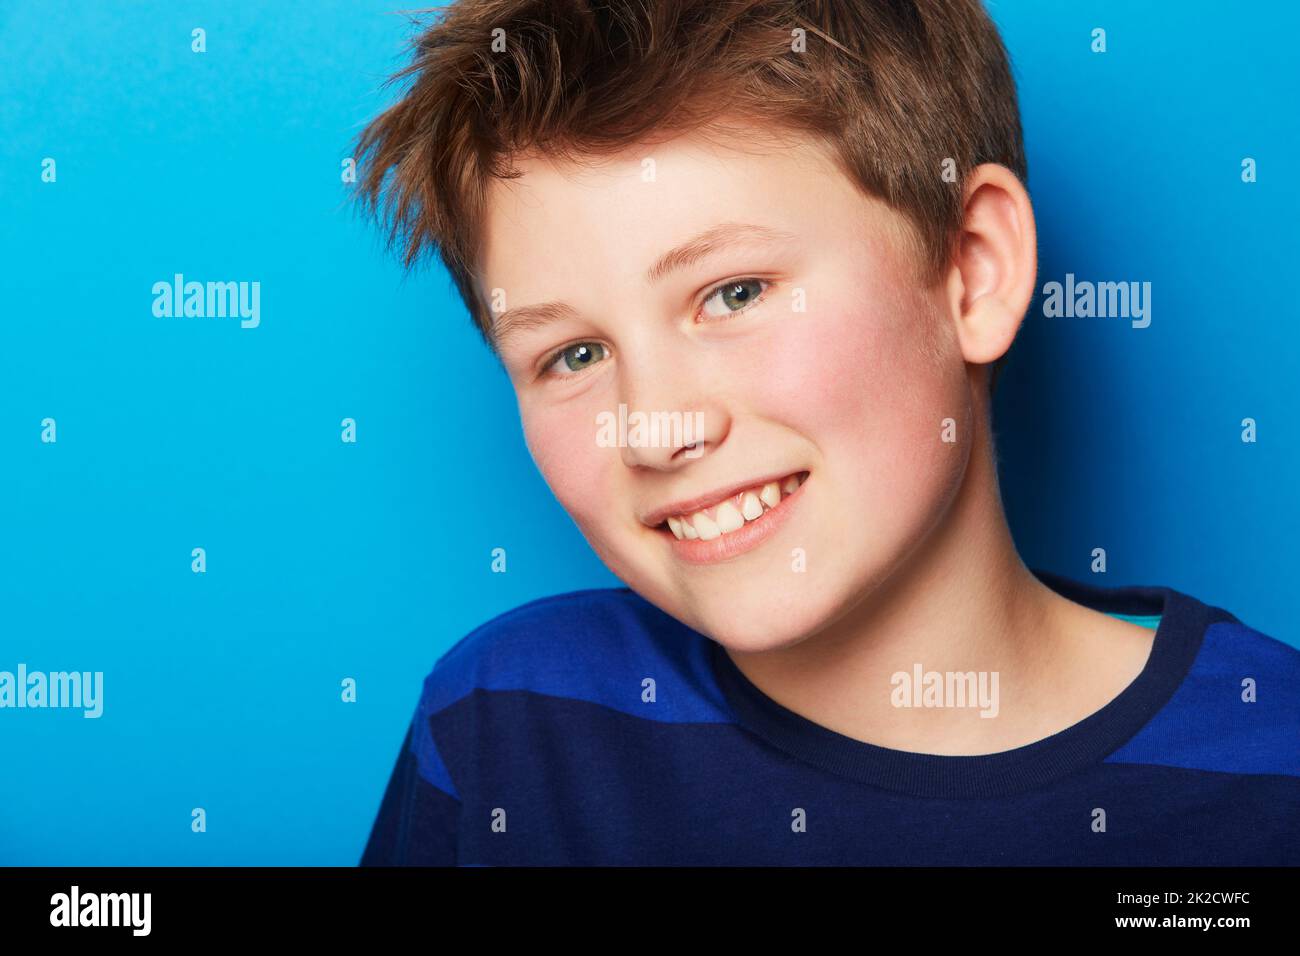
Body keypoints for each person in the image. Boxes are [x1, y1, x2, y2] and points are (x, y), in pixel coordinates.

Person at [352, 0, 1299, 865]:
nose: (655, 428)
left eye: (734, 294)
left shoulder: (1271, 769)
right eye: (573, 355)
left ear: (974, 271)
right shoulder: (507, 731)